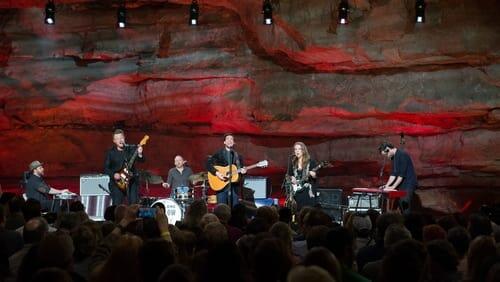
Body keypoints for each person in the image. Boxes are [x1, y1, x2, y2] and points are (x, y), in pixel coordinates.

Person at [104, 129, 145, 205]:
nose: (120, 140)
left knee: (134, 204)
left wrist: (140, 154)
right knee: (117, 204)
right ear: (114, 141)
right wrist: (114, 175)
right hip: (117, 183)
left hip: (131, 181)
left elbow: (142, 160)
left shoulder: (131, 148)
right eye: (117, 139)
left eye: (121, 138)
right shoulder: (111, 152)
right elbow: (106, 168)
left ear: (124, 138)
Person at [206, 133, 247, 207]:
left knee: (235, 209)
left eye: (231, 139)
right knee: (221, 209)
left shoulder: (238, 156)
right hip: (221, 187)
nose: (229, 140)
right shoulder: (219, 154)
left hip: (234, 188)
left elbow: (240, 171)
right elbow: (208, 164)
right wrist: (217, 173)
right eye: (227, 139)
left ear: (234, 142)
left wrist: (243, 172)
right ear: (224, 142)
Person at [378, 142, 418, 213]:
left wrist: (393, 187)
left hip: (408, 184)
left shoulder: (402, 155)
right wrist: (387, 186)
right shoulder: (394, 158)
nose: (387, 156)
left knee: (405, 206)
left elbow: (401, 175)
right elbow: (393, 174)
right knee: (401, 207)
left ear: (388, 149)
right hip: (401, 185)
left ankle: (408, 222)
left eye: (386, 154)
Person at [287, 142, 318, 211]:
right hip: (297, 192)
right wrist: (292, 178)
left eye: (299, 149)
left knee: (308, 211)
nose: (297, 151)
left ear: (303, 150)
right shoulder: (293, 162)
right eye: (295, 149)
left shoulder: (310, 162)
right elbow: (289, 175)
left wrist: (313, 174)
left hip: (307, 192)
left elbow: (315, 176)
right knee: (298, 211)